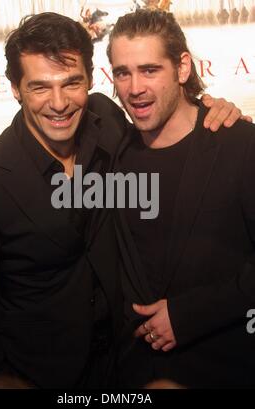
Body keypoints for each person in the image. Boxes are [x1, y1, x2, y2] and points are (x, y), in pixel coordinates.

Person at [0, 11, 249, 389]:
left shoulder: (107, 122)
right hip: (44, 378)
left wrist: (215, 108)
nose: (59, 103)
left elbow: (173, 115)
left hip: (128, 368)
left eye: (72, 83)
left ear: (91, 81)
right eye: (40, 87)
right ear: (15, 87)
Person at [107, 9, 255, 388]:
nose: (134, 87)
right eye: (122, 72)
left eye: (150, 70)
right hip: (134, 374)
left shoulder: (240, 144)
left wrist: (189, 315)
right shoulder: (110, 149)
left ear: (182, 68)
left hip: (225, 366)